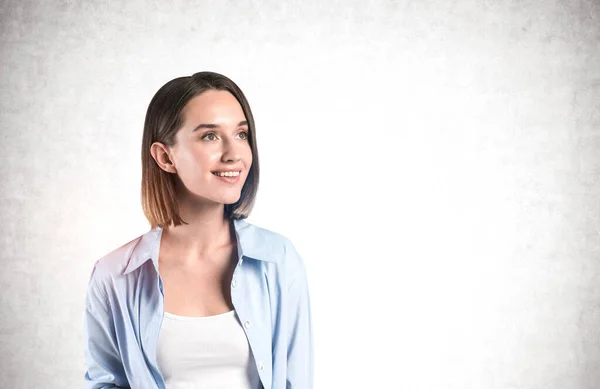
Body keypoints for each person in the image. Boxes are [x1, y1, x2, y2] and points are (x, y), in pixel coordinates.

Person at [83, 71, 313, 389]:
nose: (234, 154)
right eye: (210, 136)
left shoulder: (277, 259)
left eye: (242, 134)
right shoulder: (116, 275)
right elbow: (106, 382)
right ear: (165, 157)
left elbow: (296, 380)